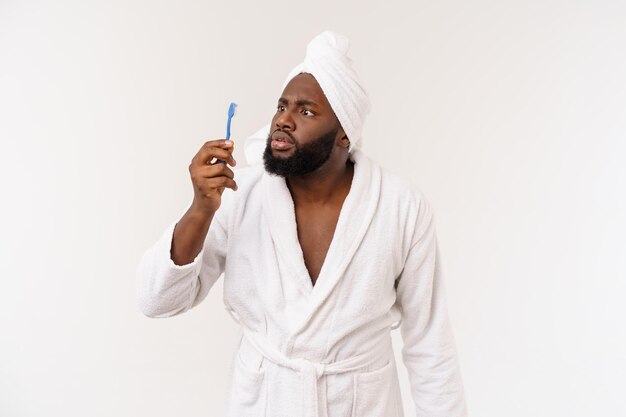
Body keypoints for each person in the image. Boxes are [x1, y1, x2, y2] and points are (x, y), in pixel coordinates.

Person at [136, 30, 468, 417]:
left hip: (363, 404)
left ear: (344, 132)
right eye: (282, 106)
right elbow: (156, 301)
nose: (283, 120)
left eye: (306, 111)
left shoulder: (401, 207)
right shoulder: (241, 194)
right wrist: (200, 210)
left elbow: (430, 345)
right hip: (265, 402)